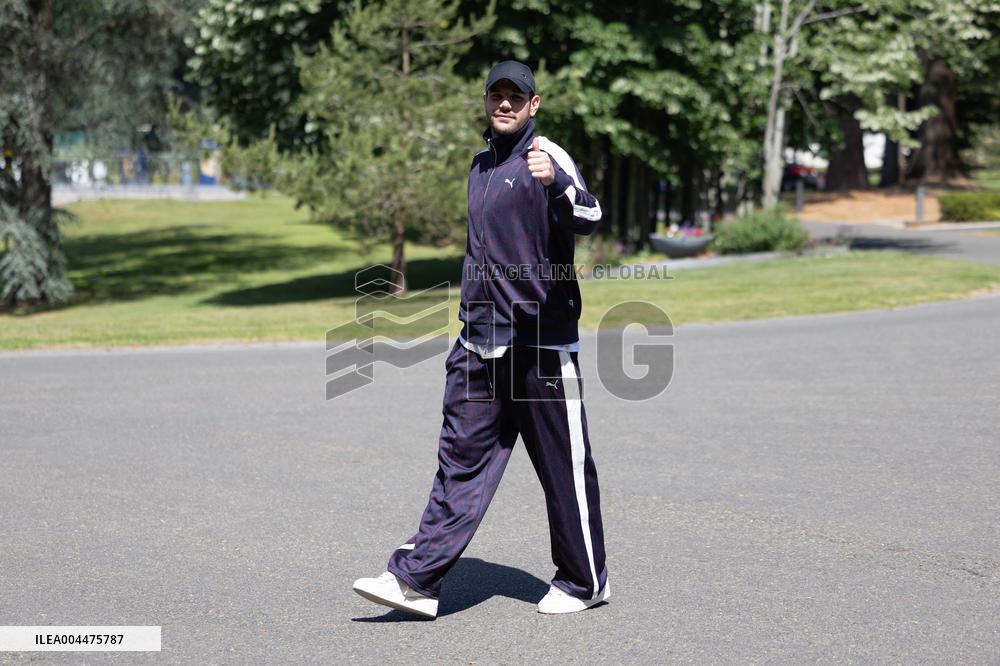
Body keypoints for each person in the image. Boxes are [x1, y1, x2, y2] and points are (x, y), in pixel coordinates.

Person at [353, 60, 609, 619]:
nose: (506, 104)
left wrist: (559, 184)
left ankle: (585, 581)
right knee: (459, 461)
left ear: (534, 105)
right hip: (481, 343)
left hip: (541, 344)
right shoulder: (480, 164)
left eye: (517, 97)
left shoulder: (549, 156)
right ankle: (416, 580)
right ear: (486, 101)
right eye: (497, 95)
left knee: (563, 469)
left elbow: (590, 216)